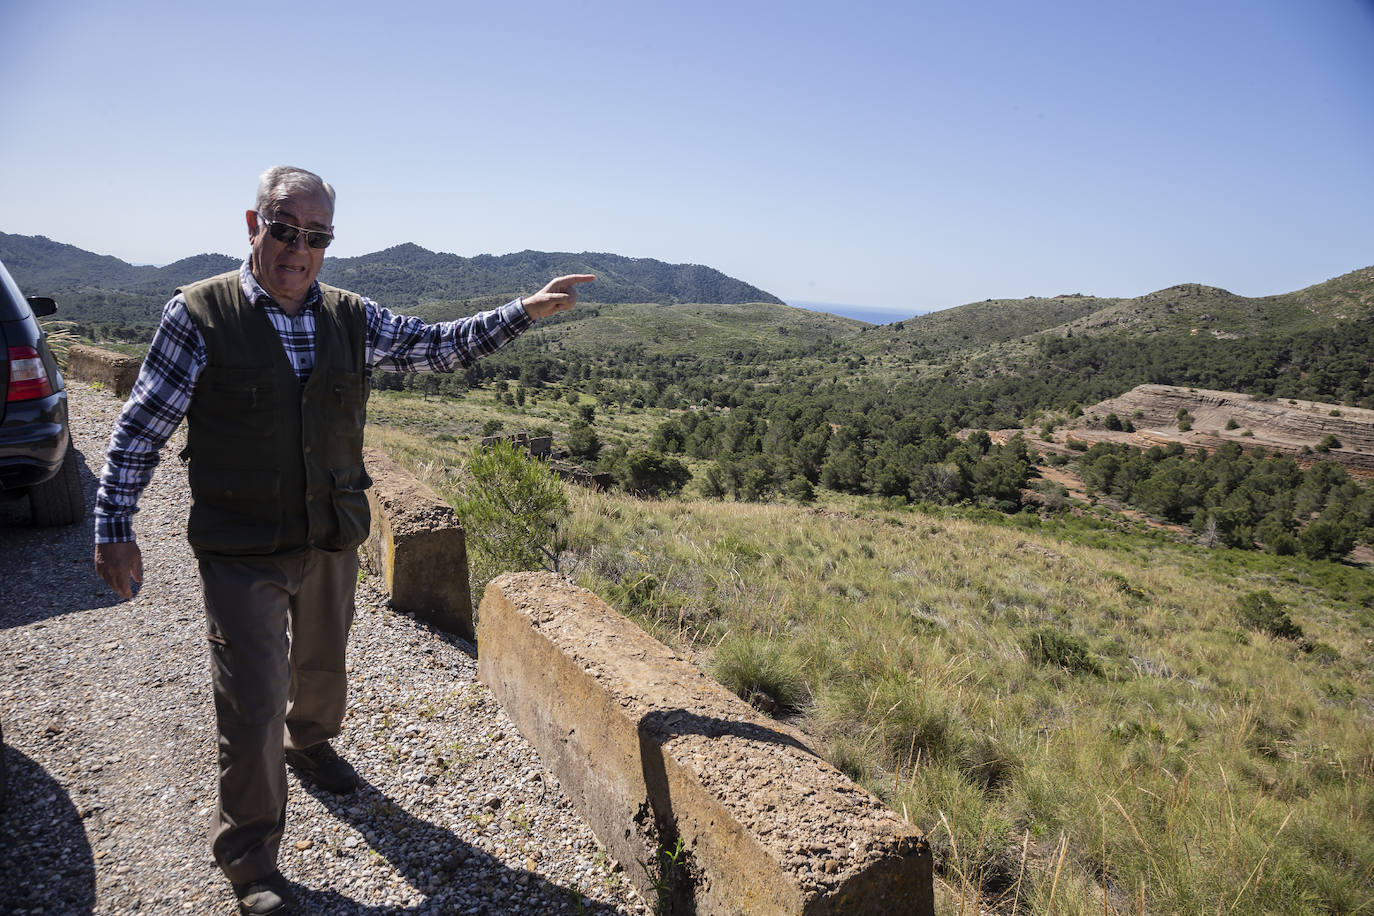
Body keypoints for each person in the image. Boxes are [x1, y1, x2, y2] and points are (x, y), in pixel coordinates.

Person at [93, 165, 593, 915]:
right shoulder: (199, 315)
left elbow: (437, 346)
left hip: (330, 534)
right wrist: (114, 524)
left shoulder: (350, 317)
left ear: (329, 243)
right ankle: (251, 863)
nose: (299, 248)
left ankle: (312, 742)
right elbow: (141, 427)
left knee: (322, 667)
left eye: (316, 236)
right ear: (253, 225)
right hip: (242, 547)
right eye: (286, 229)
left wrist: (522, 310)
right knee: (253, 701)